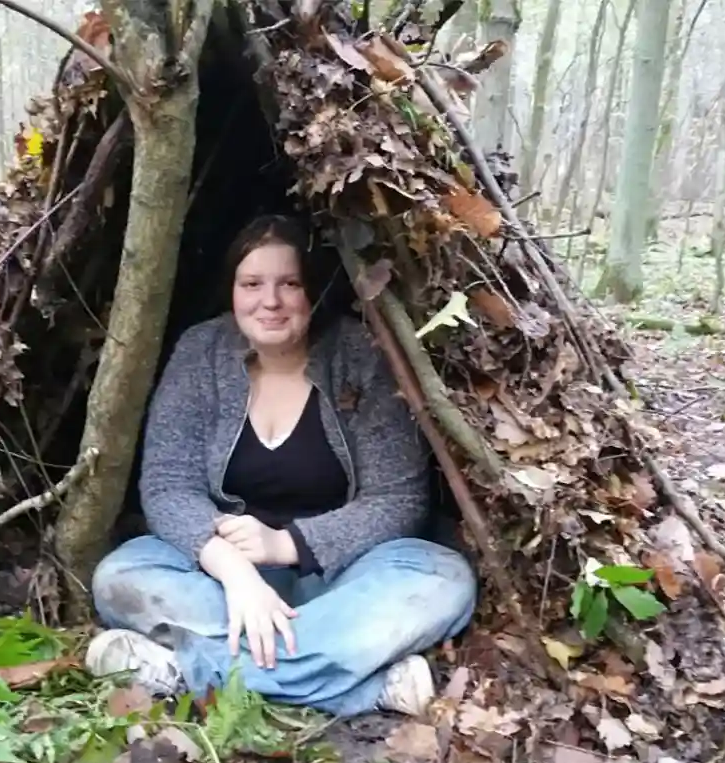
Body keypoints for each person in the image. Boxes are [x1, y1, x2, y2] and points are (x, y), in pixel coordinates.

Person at [84, 215, 477, 718]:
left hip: (340, 581)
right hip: (219, 585)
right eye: (252, 284)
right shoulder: (201, 353)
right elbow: (167, 483)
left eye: (288, 283)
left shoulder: (359, 354)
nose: (269, 301)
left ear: (313, 289)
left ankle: (184, 675)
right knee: (122, 575)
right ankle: (360, 684)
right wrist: (233, 569)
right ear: (232, 290)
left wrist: (288, 544)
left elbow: (398, 498)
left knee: (444, 579)